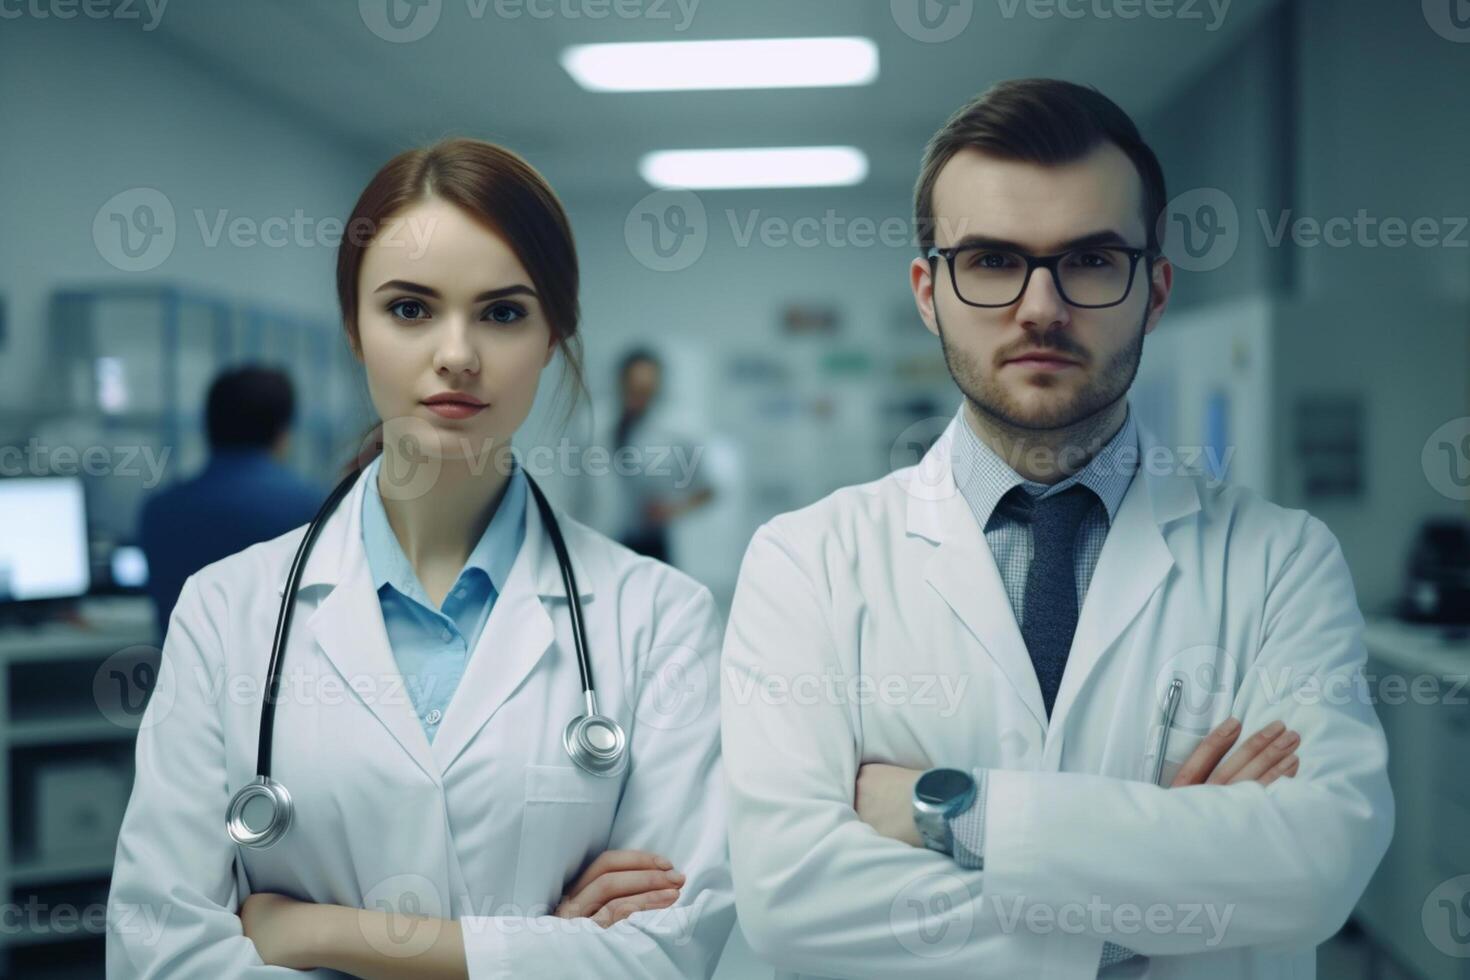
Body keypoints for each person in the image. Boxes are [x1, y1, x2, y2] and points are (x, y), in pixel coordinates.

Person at [720, 79, 1393, 978]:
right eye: (993, 261)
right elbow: (789, 900)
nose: (1041, 307)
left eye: (1090, 260)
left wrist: (952, 815)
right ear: (929, 292)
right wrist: (1145, 909)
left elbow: (1315, 868)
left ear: (1154, 292)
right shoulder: (805, 562)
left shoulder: (1281, 561)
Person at [108, 138, 734, 979]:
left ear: (554, 336)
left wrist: (315, 934)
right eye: (409, 309)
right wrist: (548, 950)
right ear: (354, 330)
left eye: (503, 312)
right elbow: (161, 952)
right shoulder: (228, 610)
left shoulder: (659, 617)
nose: (457, 353)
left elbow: (667, 955)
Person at [138, 366, 322, 631]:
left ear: (208, 428)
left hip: (181, 670)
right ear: (282, 433)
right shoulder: (313, 507)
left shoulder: (159, 510)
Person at [607, 348, 714, 565]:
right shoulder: (598, 425)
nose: (641, 395)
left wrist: (672, 509)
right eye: (635, 388)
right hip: (604, 539)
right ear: (622, 383)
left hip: (655, 543)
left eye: (647, 388)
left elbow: (707, 489)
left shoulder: (677, 433)